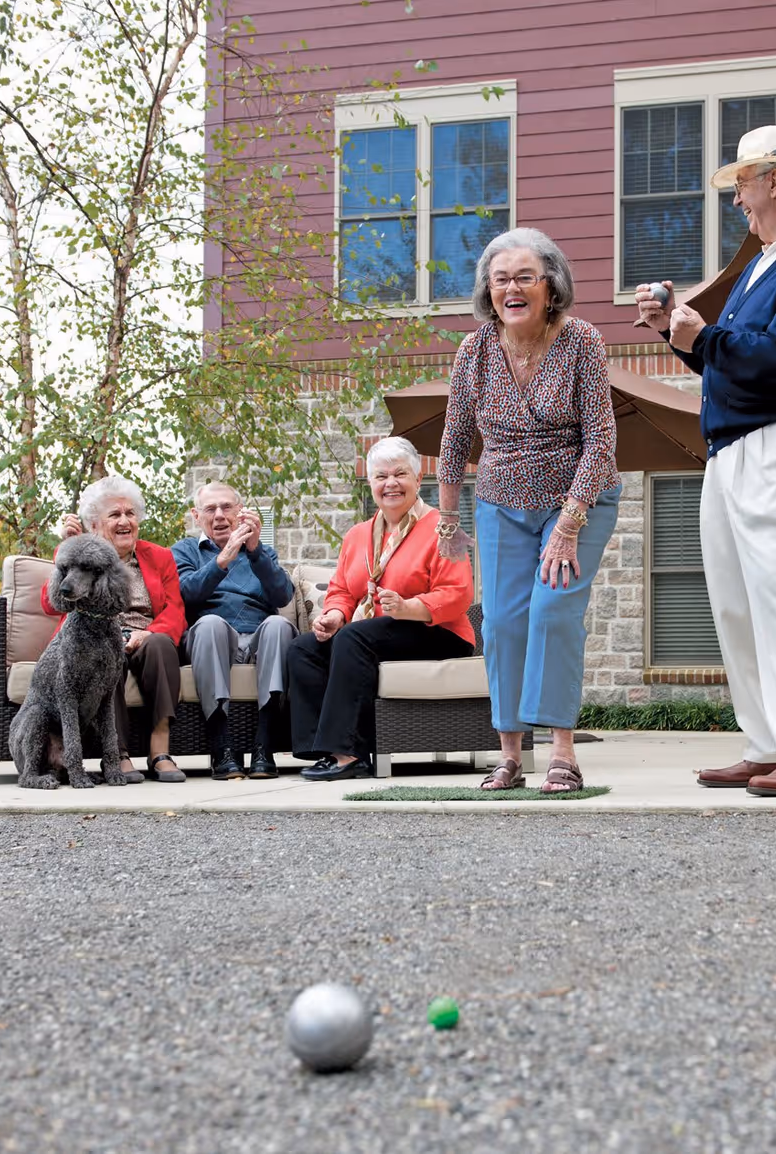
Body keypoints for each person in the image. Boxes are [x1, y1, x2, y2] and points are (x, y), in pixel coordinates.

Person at [634, 125, 776, 797]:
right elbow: (733, 355)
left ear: (775, 180)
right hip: (734, 442)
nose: (736, 200)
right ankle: (766, 743)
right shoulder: (764, 261)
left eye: (741, 184)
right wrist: (679, 330)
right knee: (734, 600)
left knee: (775, 589)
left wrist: (708, 334)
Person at [437, 226, 621, 794]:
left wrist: (568, 523)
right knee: (504, 623)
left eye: (524, 277)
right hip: (500, 504)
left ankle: (562, 751)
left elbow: (601, 440)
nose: (511, 288)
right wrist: (448, 521)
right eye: (500, 280)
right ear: (487, 291)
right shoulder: (475, 349)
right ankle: (511, 756)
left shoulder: (582, 340)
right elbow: (453, 442)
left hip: (577, 501)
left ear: (550, 286)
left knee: (553, 614)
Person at [287, 437, 475, 781]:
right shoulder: (358, 535)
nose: (390, 483)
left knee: (355, 638)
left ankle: (349, 754)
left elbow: (459, 593)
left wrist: (410, 606)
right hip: (378, 631)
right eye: (381, 476)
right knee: (304, 649)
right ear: (371, 483)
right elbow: (343, 589)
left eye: (400, 474)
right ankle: (322, 748)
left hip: (439, 632)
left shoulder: (444, 529)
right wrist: (335, 615)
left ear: (419, 480)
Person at [53, 476, 187, 783]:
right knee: (102, 653)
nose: (125, 521)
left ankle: (160, 750)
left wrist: (149, 633)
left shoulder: (159, 556)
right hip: (94, 637)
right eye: (115, 515)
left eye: (130, 514)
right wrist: (65, 549)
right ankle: (118, 755)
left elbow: (175, 609)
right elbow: (53, 603)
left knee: (162, 645)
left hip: (146, 635)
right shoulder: (79, 557)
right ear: (94, 525)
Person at [172, 482, 296, 780]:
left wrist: (254, 553)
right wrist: (222, 560)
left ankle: (264, 748)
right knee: (211, 624)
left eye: (227, 507)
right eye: (210, 509)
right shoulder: (185, 550)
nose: (219, 515)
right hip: (211, 637)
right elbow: (185, 594)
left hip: (258, 638)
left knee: (279, 624)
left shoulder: (261, 552)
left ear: (240, 513)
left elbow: (282, 596)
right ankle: (220, 746)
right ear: (195, 515)